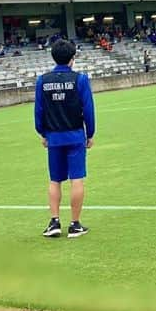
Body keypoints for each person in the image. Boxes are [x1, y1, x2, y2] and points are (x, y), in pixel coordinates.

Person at [35, 40, 95, 239]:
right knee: (76, 179)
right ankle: (75, 224)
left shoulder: (42, 80)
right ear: (72, 59)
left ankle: (54, 222)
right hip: (75, 134)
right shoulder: (80, 79)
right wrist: (90, 134)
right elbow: (88, 109)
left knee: (55, 180)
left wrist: (43, 133)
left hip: (54, 136)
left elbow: (39, 111)